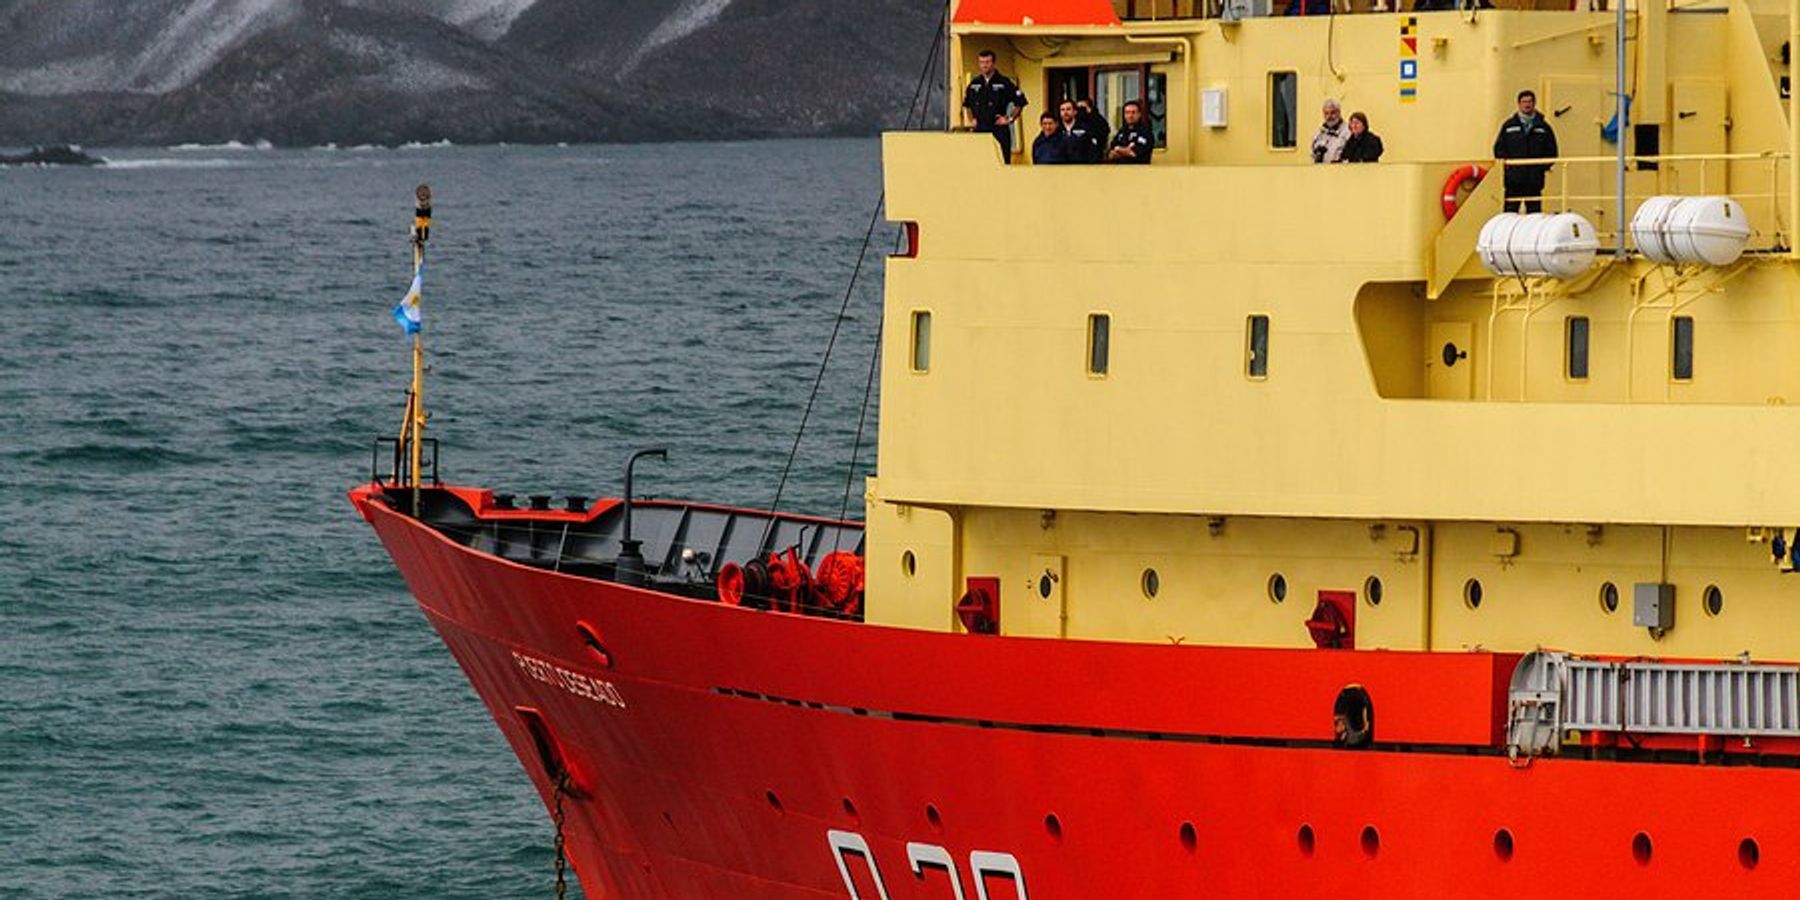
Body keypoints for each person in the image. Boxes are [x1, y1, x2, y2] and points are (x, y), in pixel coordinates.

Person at [1492, 89, 1559, 212]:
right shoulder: (1509, 126)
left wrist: (1540, 168)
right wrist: (1508, 167)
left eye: (1529, 101)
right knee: (1510, 212)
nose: (1527, 104)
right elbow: (1499, 148)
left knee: (1534, 213)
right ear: (1519, 104)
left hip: (1534, 179)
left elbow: (1552, 151)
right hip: (1514, 179)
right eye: (1524, 102)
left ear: (1534, 104)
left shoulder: (1543, 127)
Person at [962, 50, 1028, 164]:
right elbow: (967, 105)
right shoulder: (974, 84)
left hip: (998, 129)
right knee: (979, 162)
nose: (984, 65)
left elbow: (1020, 102)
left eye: (987, 62)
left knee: (1002, 162)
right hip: (980, 130)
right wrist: (971, 119)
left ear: (993, 63)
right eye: (981, 62)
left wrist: (1009, 119)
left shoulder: (1004, 82)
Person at [1106, 100, 1155, 164]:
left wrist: (1118, 149)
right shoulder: (1121, 132)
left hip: (1139, 171)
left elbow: (1133, 153)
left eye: (1133, 112)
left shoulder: (1145, 132)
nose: (1130, 116)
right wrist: (1125, 150)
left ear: (1139, 114)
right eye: (1127, 112)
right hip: (1120, 171)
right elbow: (1110, 155)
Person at [1057, 99, 1102, 164]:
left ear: (1075, 112)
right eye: (1062, 110)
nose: (1065, 112)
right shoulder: (1056, 130)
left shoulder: (1085, 128)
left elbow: (1093, 151)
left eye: (1068, 109)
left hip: (1082, 168)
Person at [1310, 99, 1350, 164]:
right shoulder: (1319, 133)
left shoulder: (1347, 131)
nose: (1329, 116)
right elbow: (1312, 154)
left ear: (1339, 112)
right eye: (1326, 113)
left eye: (1333, 113)